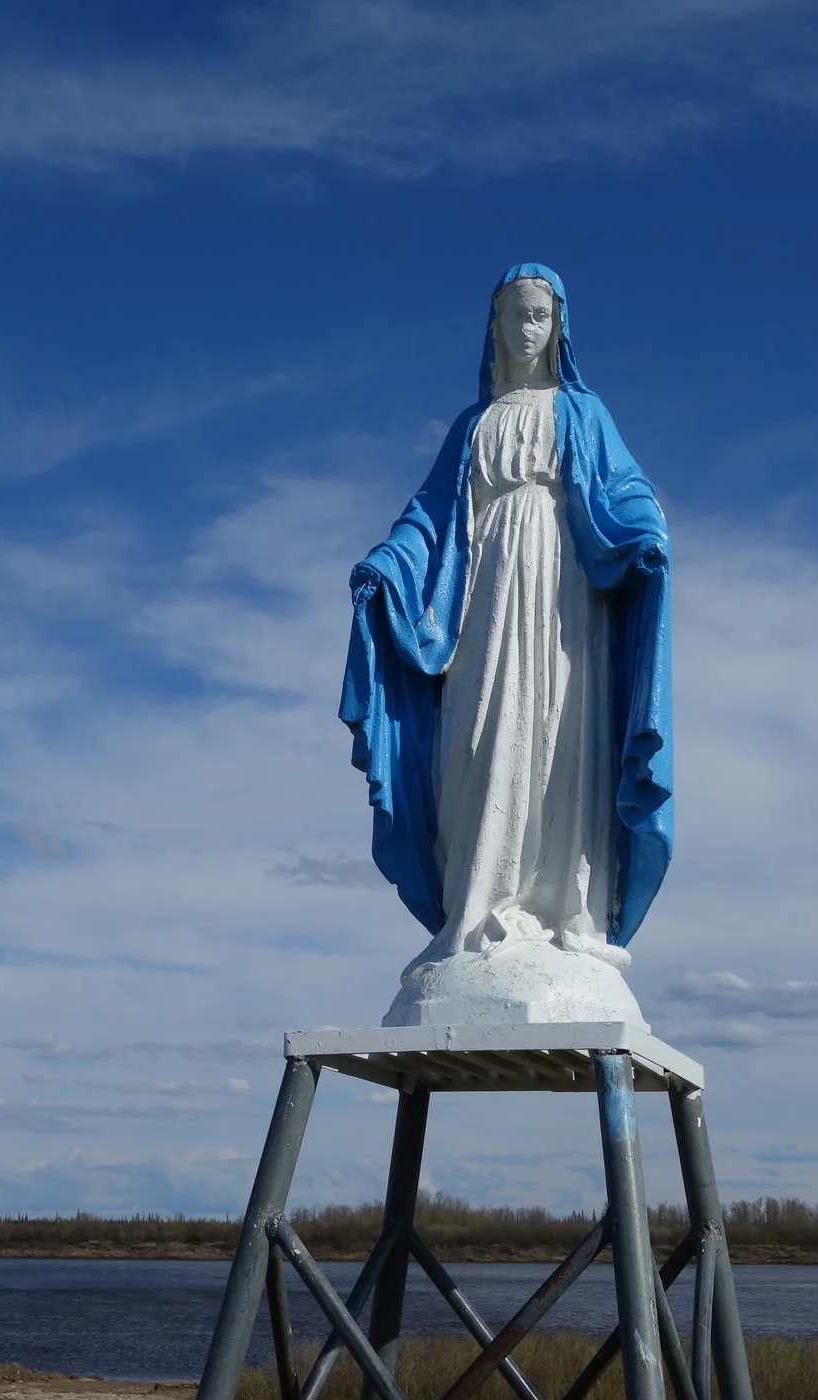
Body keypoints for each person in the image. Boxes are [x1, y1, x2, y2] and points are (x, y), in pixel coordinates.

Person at [342, 264, 672, 1025]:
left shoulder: (582, 415)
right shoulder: (472, 426)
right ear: (493, 326)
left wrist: (645, 531)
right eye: (514, 315)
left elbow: (626, 491)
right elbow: (426, 520)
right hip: (483, 595)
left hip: (563, 597)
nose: (528, 329)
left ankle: (557, 912)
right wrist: (386, 567)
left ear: (559, 327)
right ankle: (478, 909)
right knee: (479, 740)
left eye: (540, 316)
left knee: (555, 738)